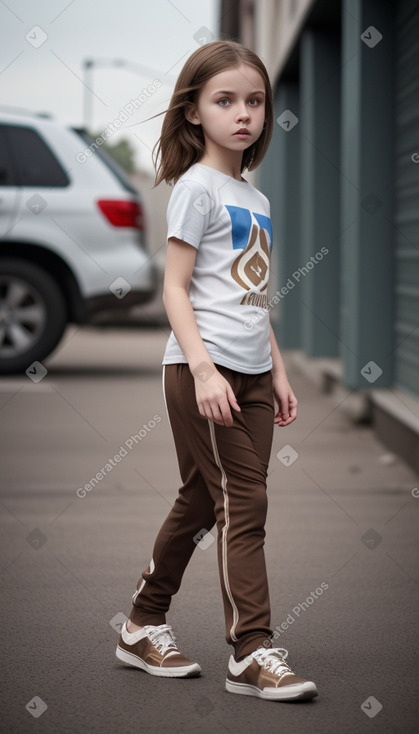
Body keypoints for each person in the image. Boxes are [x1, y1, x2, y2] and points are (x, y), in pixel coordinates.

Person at [116, 39, 318, 702]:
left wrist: (277, 371)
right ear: (194, 111)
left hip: (255, 374)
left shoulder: (252, 199)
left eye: (254, 101)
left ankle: (142, 623)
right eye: (224, 100)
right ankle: (252, 649)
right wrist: (204, 371)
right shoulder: (196, 190)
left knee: (205, 501)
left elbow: (250, 296)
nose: (243, 114)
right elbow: (176, 289)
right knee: (245, 501)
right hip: (203, 372)